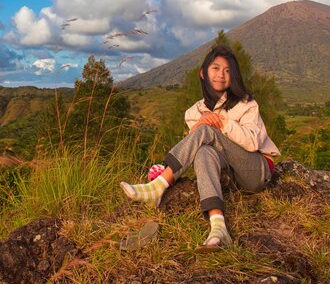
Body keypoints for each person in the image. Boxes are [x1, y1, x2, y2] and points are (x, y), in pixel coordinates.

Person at [120, 45, 280, 252]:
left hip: (256, 170)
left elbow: (252, 143)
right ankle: (218, 227)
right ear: (203, 73)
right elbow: (194, 147)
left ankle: (159, 185)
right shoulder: (193, 111)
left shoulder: (247, 104)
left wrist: (221, 123)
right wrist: (201, 125)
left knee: (208, 130)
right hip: (228, 174)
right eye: (215, 68)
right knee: (204, 152)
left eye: (228, 70)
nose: (221, 75)